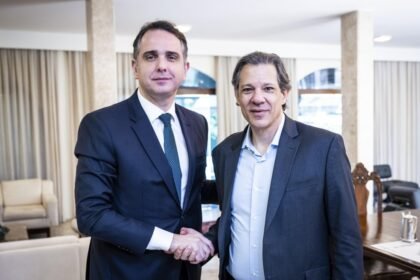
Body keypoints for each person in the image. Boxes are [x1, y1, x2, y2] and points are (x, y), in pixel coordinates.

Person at [74, 20, 214, 280]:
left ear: (185, 69)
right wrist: (171, 241)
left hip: (185, 270)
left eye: (171, 57)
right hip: (125, 271)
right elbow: (91, 215)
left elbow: (189, 187)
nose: (162, 65)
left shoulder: (198, 123)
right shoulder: (101, 125)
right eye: (151, 56)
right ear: (135, 67)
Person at [205, 51, 363, 279]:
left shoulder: (324, 147)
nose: (257, 98)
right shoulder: (224, 152)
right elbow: (233, 218)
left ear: (284, 94)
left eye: (268, 88)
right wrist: (206, 240)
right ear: (237, 96)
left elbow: (346, 236)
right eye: (248, 89)